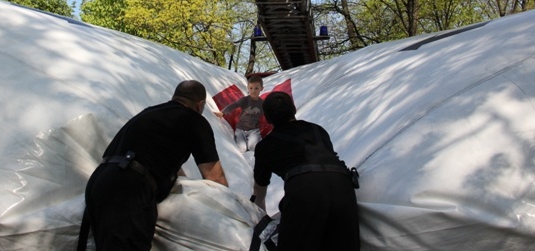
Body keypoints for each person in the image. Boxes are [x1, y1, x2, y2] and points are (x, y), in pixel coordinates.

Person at [83, 80, 228, 251]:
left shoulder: (149, 113)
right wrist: (229, 213)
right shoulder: (195, 121)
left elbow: (163, 162)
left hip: (99, 180)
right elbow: (215, 177)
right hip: (129, 190)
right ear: (200, 104)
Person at [252, 92, 360, 250]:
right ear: (294, 109)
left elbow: (259, 191)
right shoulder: (318, 130)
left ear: (267, 118)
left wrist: (258, 217)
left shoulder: (264, 147)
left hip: (304, 189)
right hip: (342, 186)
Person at [215, 75, 265, 152]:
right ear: (248, 88)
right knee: (242, 149)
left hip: (253, 130)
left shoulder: (262, 104)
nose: (253, 91)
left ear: (261, 88)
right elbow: (233, 105)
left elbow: (269, 112)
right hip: (240, 129)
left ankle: (258, 139)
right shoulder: (245, 100)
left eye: (256, 88)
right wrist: (222, 112)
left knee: (252, 148)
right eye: (251, 88)